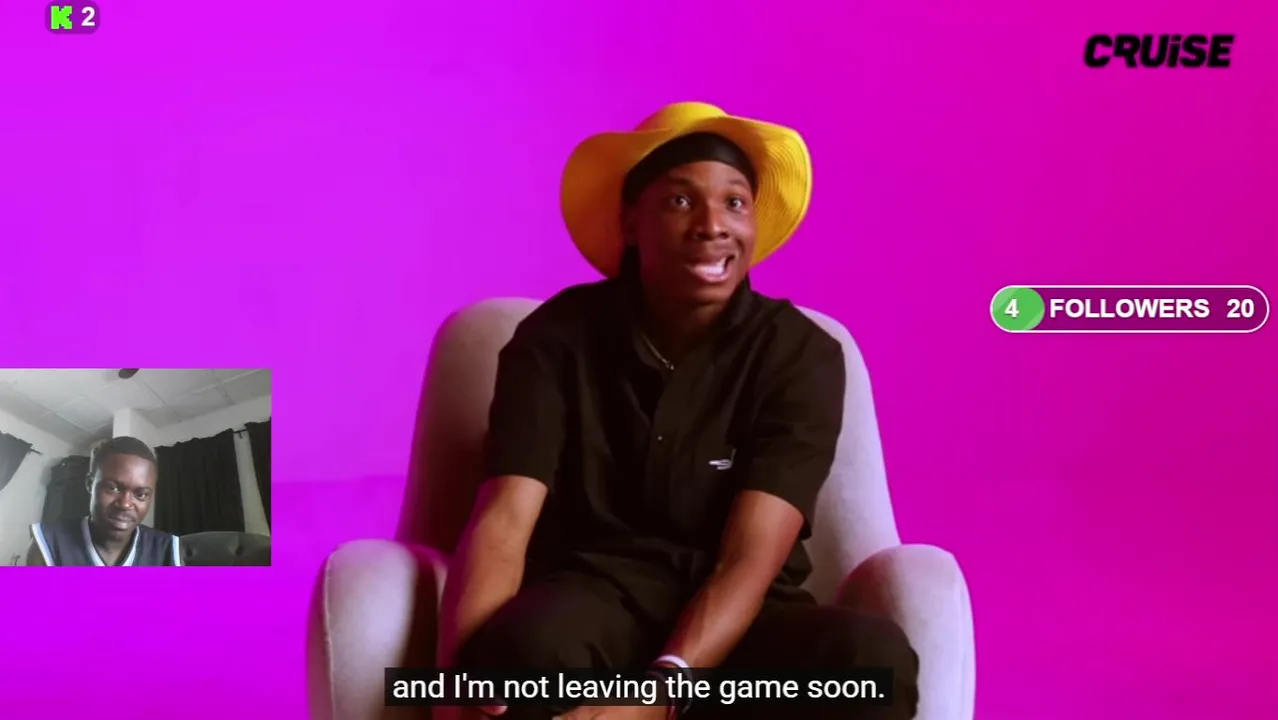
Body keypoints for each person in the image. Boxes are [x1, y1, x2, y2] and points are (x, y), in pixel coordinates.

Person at [437, 103, 919, 720]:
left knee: (871, 664)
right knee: (514, 661)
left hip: (742, 624)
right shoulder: (555, 339)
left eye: (735, 203)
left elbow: (749, 558)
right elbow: (505, 519)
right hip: (591, 598)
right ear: (630, 223)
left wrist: (655, 700)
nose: (713, 225)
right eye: (681, 201)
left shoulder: (802, 354)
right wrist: (452, 687)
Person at [26, 435, 182, 566]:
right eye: (112, 488)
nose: (125, 504)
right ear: (89, 484)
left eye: (141, 495)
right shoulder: (48, 545)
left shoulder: (167, 550)